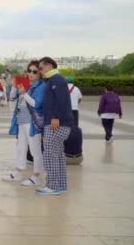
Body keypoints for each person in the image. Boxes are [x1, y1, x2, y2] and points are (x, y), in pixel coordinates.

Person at [2, 61, 45, 186]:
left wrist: (24, 93)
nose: (31, 73)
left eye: (34, 71)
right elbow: (12, 98)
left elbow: (36, 104)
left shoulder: (41, 86)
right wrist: (15, 87)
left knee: (35, 149)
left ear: (40, 73)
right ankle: (18, 172)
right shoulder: (27, 84)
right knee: (21, 148)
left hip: (32, 122)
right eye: (29, 71)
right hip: (21, 120)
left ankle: (36, 176)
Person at [35, 57, 73, 196]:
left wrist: (56, 117)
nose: (40, 71)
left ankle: (52, 185)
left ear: (49, 65)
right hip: (58, 122)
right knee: (57, 155)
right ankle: (60, 185)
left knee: (50, 155)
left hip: (56, 123)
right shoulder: (53, 80)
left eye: (41, 68)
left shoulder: (56, 79)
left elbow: (61, 100)